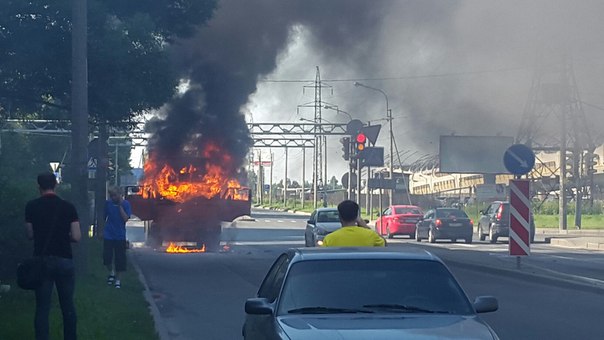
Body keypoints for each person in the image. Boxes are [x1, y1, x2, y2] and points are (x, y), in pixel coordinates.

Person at [25, 172, 81, 340]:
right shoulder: (68, 207)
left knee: (42, 307)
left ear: (38, 187)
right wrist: (64, 237)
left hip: (42, 261)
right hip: (64, 259)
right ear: (56, 185)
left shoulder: (31, 206)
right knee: (68, 306)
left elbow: (29, 234)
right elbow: (77, 236)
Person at [103, 186, 131, 289]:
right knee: (107, 257)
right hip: (108, 234)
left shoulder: (126, 204)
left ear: (120, 195)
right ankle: (111, 272)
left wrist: (120, 206)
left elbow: (125, 219)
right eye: (111, 195)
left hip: (120, 235)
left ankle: (118, 279)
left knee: (120, 259)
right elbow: (104, 217)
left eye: (114, 195)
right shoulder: (108, 204)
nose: (112, 197)